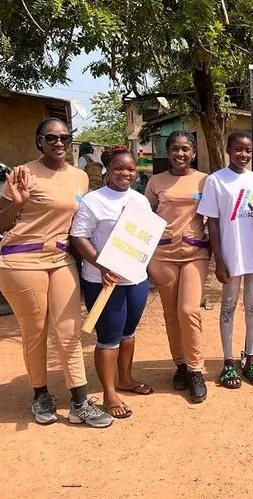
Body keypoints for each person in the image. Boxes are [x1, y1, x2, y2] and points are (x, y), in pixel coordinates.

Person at [0, 117, 113, 428]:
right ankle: (41, 394)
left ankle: (80, 402)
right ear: (39, 141)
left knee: (69, 331)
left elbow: (80, 225)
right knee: (35, 330)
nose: (59, 142)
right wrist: (15, 204)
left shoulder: (80, 177)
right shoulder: (23, 174)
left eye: (65, 137)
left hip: (60, 259)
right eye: (51, 138)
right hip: (21, 260)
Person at [70, 146, 153, 419]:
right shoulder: (93, 201)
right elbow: (79, 237)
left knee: (128, 332)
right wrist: (101, 265)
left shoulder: (140, 201)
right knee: (109, 337)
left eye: (130, 169)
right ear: (107, 168)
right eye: (119, 168)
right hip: (102, 280)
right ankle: (109, 393)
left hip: (136, 279)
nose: (125, 173)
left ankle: (125, 379)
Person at [197, 132, 253, 389]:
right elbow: (213, 223)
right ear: (228, 150)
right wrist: (220, 259)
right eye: (238, 150)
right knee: (228, 306)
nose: (244, 155)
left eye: (248, 151)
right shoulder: (216, 181)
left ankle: (250, 358)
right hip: (231, 254)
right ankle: (228, 362)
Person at [146, 131, 210, 403]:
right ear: (168, 152)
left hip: (195, 252)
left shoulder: (205, 181)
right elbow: (143, 219)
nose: (180, 154)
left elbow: (216, 218)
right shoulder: (155, 182)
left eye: (185, 149)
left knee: (188, 310)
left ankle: (196, 370)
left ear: (193, 152)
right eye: (175, 149)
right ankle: (181, 365)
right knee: (171, 314)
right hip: (163, 254)